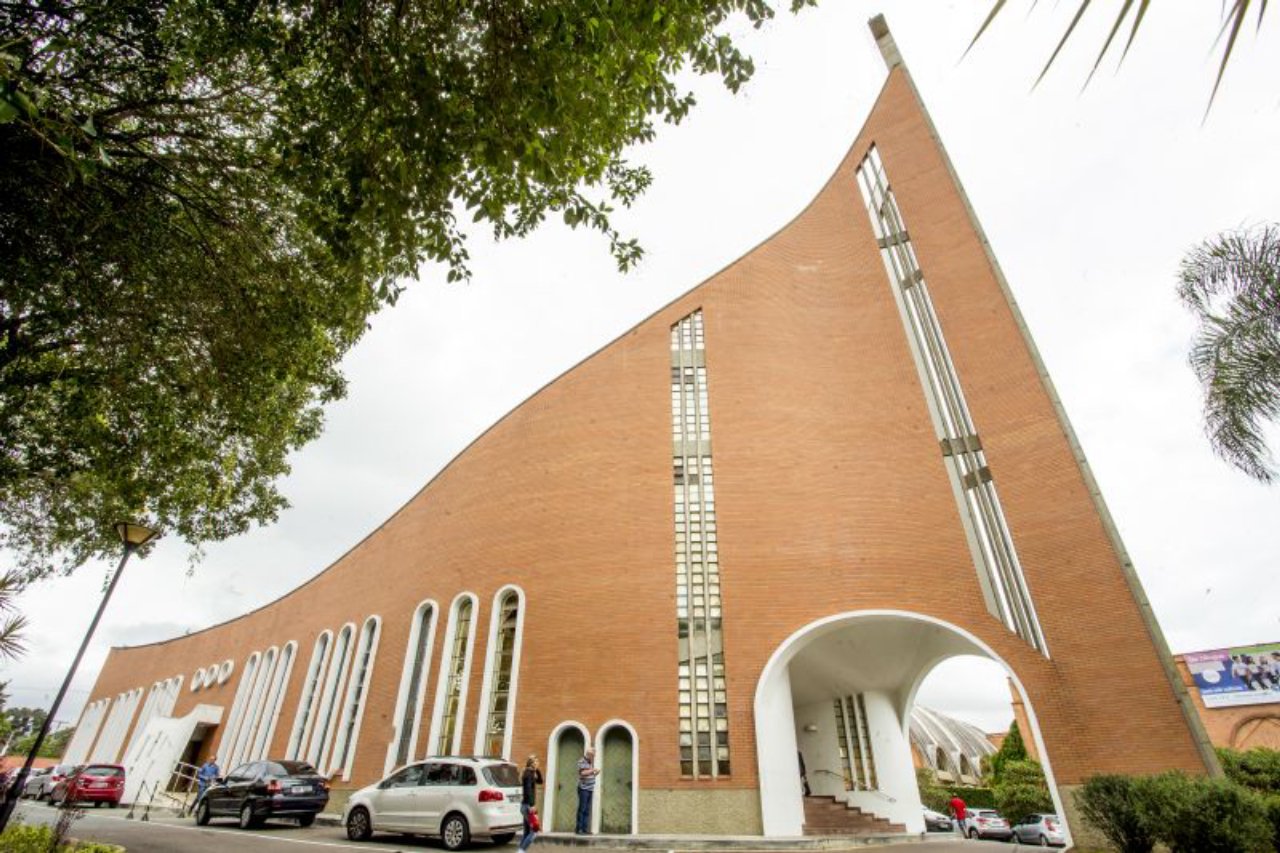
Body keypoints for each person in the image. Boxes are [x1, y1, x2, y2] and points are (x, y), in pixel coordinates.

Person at [575, 747, 600, 835]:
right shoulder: (582, 761)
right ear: (589, 754)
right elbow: (582, 773)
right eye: (593, 755)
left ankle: (585, 829)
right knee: (582, 809)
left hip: (590, 788)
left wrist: (595, 774)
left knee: (587, 809)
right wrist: (593, 770)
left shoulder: (590, 762)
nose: (593, 757)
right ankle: (579, 829)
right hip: (583, 788)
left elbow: (589, 774)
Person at [521, 755, 543, 847]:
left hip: (525, 805)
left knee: (526, 832)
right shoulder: (529, 774)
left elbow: (540, 781)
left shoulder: (530, 773)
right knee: (534, 831)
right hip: (528, 806)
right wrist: (532, 805)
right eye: (536, 762)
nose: (538, 763)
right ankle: (521, 851)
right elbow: (528, 790)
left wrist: (537, 770)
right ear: (532, 763)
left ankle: (520, 851)